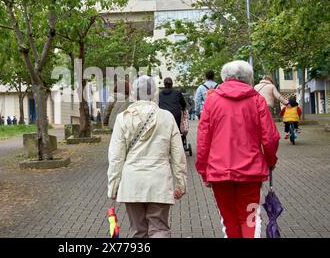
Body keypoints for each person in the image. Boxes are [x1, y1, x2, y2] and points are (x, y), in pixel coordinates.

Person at [196, 60, 280, 238]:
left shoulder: (212, 101)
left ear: (224, 78)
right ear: (248, 78)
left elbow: (203, 140)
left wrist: (204, 171)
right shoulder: (257, 100)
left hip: (219, 172)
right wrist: (270, 161)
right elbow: (270, 137)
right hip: (250, 171)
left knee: (229, 219)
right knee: (250, 218)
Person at [107, 75, 187, 238]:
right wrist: (180, 183)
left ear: (133, 95)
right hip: (159, 180)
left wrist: (113, 186)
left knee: (137, 230)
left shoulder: (123, 118)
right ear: (154, 94)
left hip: (132, 181)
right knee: (159, 228)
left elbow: (116, 157)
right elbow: (178, 154)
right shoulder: (167, 117)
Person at [158, 77, 187, 146]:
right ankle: (180, 144)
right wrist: (183, 108)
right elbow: (183, 104)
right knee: (177, 129)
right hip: (175, 114)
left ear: (164, 84)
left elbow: (158, 105)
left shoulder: (159, 94)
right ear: (172, 84)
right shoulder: (177, 93)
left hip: (163, 115)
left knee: (164, 130)